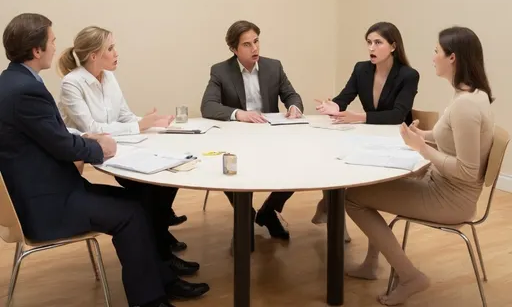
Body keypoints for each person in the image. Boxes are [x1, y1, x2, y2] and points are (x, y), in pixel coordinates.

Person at [0, 13, 209, 307]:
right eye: (52, 41)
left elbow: (55, 135)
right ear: (36, 50)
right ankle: (150, 300)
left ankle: (162, 280)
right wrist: (99, 148)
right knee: (133, 213)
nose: (56, 46)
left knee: (138, 202)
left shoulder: (12, 82)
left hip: (41, 191)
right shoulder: (26, 90)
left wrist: (93, 141)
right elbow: (61, 143)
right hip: (46, 205)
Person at [345, 26, 494, 306]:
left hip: (450, 199)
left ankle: (410, 276)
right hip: (442, 186)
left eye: (437, 51)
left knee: (352, 198)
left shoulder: (465, 107)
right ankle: (370, 264)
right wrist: (422, 136)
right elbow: (448, 139)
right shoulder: (472, 95)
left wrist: (422, 148)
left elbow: (467, 170)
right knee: (367, 187)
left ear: (453, 58)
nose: (433, 57)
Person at [58, 25, 195, 276]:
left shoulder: (109, 77)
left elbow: (125, 116)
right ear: (94, 56)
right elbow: (91, 128)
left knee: (166, 178)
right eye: (110, 48)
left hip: (119, 148)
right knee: (147, 190)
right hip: (92, 154)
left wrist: (151, 122)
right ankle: (161, 255)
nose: (116, 53)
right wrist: (138, 125)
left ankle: (160, 243)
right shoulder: (72, 83)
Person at [200, 20, 304, 244]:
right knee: (230, 167)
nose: (254, 48)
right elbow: (207, 106)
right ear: (234, 49)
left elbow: (291, 96)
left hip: (270, 135)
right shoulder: (221, 70)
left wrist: (294, 107)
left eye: (256, 41)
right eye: (247, 44)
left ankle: (268, 211)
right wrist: (239, 113)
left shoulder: (273, 66)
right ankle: (245, 215)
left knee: (299, 164)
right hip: (236, 138)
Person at [314, 22, 420, 231]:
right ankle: (333, 214)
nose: (371, 48)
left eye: (378, 43)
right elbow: (344, 98)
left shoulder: (408, 75)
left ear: (393, 46)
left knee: (350, 162)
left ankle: (328, 208)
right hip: (370, 134)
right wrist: (332, 106)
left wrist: (359, 117)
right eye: (369, 42)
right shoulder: (361, 69)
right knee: (334, 155)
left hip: (395, 139)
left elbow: (398, 115)